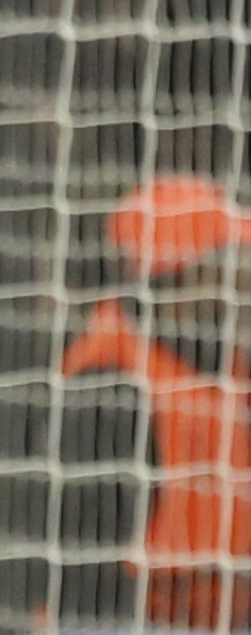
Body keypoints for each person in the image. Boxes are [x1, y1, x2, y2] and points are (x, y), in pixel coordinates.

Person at [56, 175, 251, 628]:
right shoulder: (109, 384)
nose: (242, 276)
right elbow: (85, 567)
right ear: (181, 278)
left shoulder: (225, 361)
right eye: (227, 260)